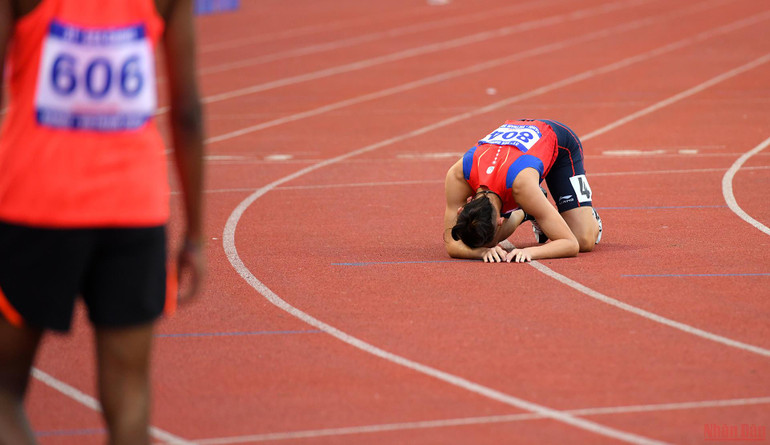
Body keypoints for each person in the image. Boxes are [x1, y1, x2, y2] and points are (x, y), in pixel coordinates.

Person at [0, 0, 204, 443]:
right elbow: (187, 110)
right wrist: (196, 235)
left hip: (38, 201)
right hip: (132, 207)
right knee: (129, 401)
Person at [444, 118, 602, 263]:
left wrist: (530, 252)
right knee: (485, 241)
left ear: (501, 221)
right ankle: (526, 211)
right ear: (461, 210)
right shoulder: (458, 176)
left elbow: (570, 244)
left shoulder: (522, 185)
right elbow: (452, 245)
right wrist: (483, 252)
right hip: (516, 159)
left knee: (583, 240)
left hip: (560, 146)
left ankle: (588, 214)